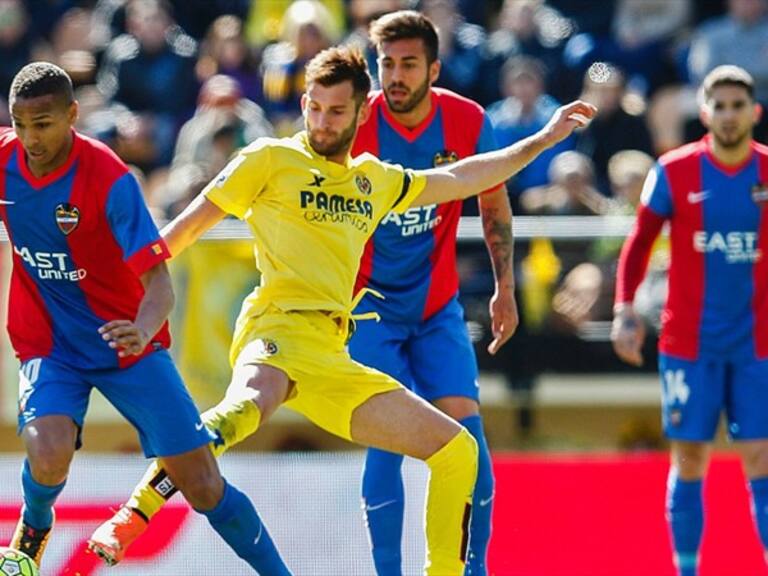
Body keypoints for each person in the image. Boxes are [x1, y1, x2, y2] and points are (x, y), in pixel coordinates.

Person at [87, 45, 594, 575]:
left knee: (458, 450)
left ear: (361, 112)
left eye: (335, 111)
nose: (322, 122)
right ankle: (133, 512)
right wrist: (126, 286)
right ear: (303, 104)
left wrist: (544, 138)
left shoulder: (373, 180)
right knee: (243, 412)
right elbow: (181, 231)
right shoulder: (268, 159)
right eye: (314, 108)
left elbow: (467, 178)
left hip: (332, 355)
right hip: (276, 328)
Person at [1, 62, 291, 574]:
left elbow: (158, 281)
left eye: (42, 123)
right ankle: (32, 533)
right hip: (50, 344)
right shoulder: (5, 161)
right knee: (48, 449)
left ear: (72, 115)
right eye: (20, 124)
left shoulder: (110, 179)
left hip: (125, 341)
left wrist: (140, 327)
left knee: (203, 485)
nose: (30, 138)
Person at [349, 12, 516, 576]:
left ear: (434, 68)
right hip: (368, 308)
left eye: (408, 64)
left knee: (469, 440)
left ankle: (475, 570)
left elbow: (492, 205)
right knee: (387, 441)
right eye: (385, 64)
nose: (394, 76)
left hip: (437, 306)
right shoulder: (355, 122)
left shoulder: (466, 120)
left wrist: (505, 289)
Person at [611, 65, 768, 576]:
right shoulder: (675, 170)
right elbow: (638, 245)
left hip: (757, 345)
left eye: (736, 105)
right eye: (718, 106)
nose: (727, 115)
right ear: (704, 113)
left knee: (760, 459)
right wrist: (624, 309)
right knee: (690, 460)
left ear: (754, 112)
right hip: (688, 344)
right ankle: (687, 570)